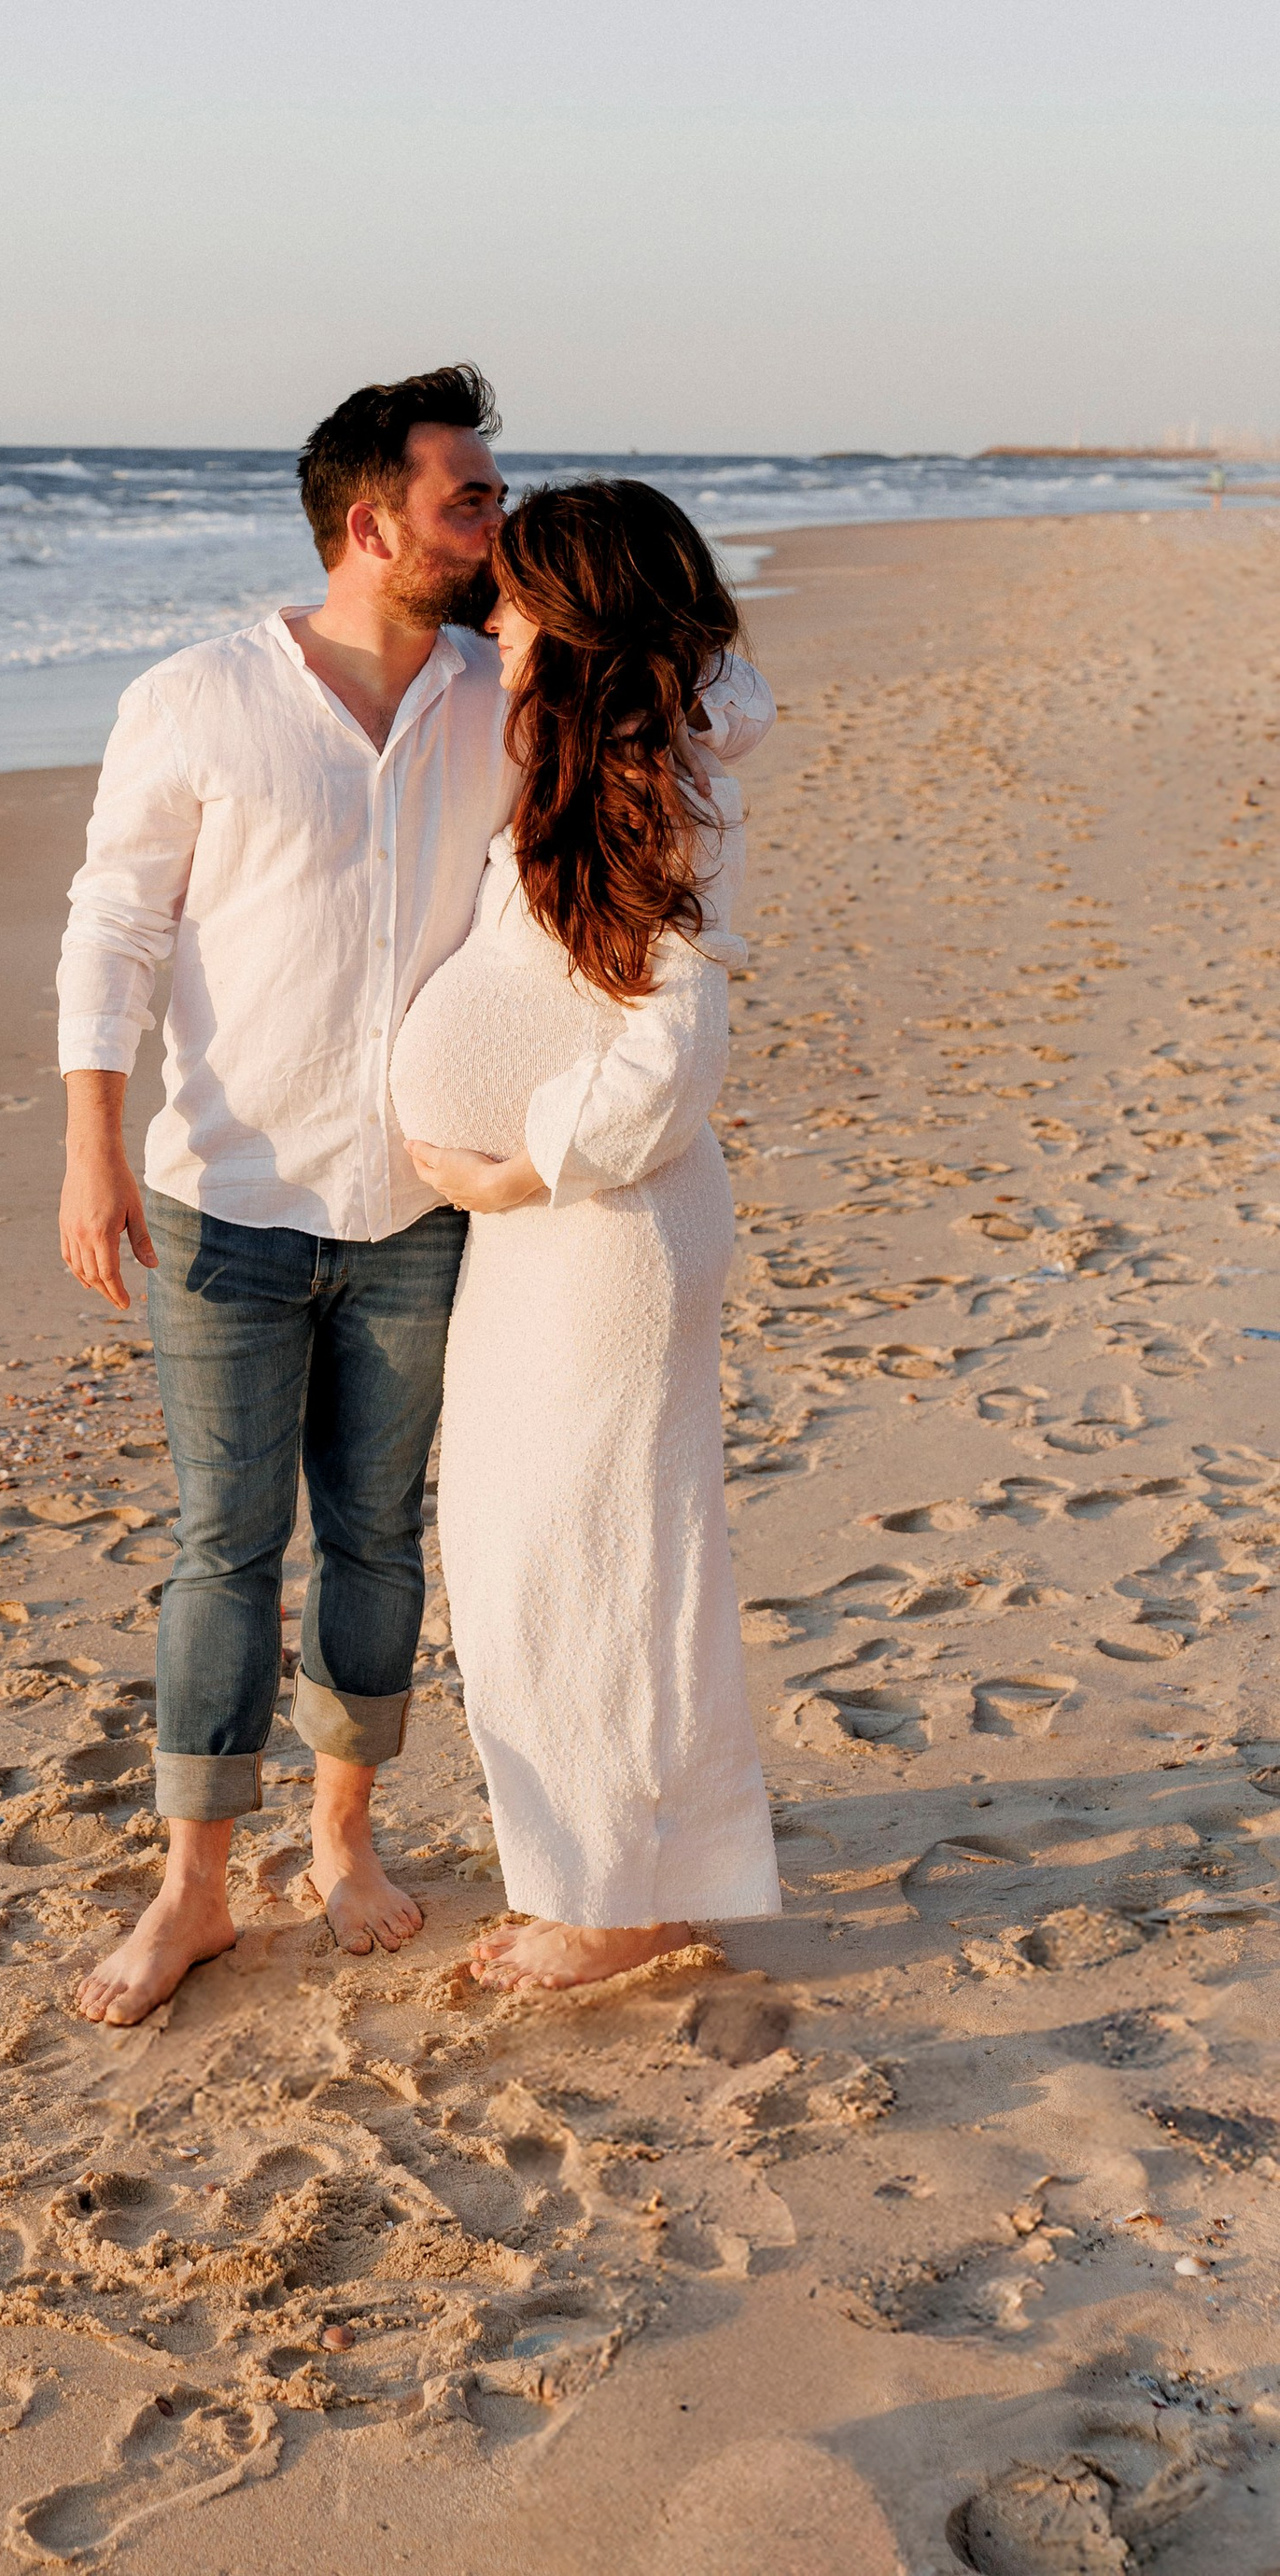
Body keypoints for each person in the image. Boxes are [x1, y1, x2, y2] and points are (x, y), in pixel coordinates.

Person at [56, 375, 770, 2025]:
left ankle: (345, 1845)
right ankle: (190, 1892)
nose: (497, 524)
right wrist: (89, 1139)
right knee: (225, 1549)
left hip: (425, 1220)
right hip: (229, 1194)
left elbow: (714, 699)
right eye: (472, 498)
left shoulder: (506, 689)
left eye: (505, 501)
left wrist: (633, 605)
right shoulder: (196, 698)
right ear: (372, 523)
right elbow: (115, 922)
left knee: (385, 1545)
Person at [392, 478, 782, 1988]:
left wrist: (524, 1167)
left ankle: (625, 1904)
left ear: (581, 614)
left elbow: (678, 1050)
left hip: (604, 1223)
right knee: (533, 1554)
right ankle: (611, 1875)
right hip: (557, 1233)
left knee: (593, 1565)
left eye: (516, 594)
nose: (492, 617)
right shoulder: (603, 752)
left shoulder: (658, 778)